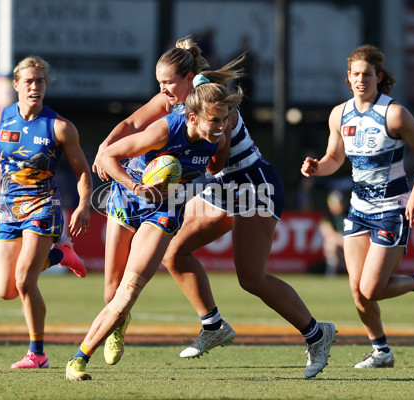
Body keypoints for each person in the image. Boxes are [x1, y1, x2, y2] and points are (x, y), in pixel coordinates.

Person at [94, 37, 336, 379]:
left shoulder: (210, 100)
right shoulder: (177, 99)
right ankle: (214, 325)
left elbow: (213, 161)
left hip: (252, 184)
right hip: (221, 187)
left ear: (190, 79)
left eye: (168, 84)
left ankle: (317, 334)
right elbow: (133, 124)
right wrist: (106, 149)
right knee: (174, 253)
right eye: (159, 83)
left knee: (251, 278)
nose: (162, 91)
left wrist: (174, 166)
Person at [65, 63, 239, 382]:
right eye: (216, 120)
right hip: (129, 195)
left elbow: (215, 167)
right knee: (111, 291)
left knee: (129, 291)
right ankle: (116, 328)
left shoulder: (219, 134)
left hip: (165, 209)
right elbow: (106, 158)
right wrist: (136, 187)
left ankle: (78, 360)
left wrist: (220, 137)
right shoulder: (165, 129)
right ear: (192, 117)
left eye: (226, 119)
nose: (222, 125)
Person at [300, 44, 414, 368]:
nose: (361, 79)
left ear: (379, 77)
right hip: (358, 209)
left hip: (392, 209)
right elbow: (335, 158)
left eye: (367, 74)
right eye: (355, 74)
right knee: (357, 290)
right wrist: (316, 167)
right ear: (348, 79)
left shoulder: (393, 113)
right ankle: (382, 351)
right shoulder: (340, 114)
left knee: (371, 287)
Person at [0, 55, 93, 369]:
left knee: (24, 281)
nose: (35, 86)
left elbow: (82, 171)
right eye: (29, 81)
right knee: (5, 290)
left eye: (40, 81)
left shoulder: (60, 127)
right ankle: (61, 256)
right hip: (8, 210)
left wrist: (84, 205)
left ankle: (37, 354)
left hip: (43, 207)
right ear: (16, 85)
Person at [318, 190, 346, 276]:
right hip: (341, 244)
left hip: (350, 244)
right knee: (330, 241)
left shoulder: (349, 214)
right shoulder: (326, 218)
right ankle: (331, 273)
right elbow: (328, 233)